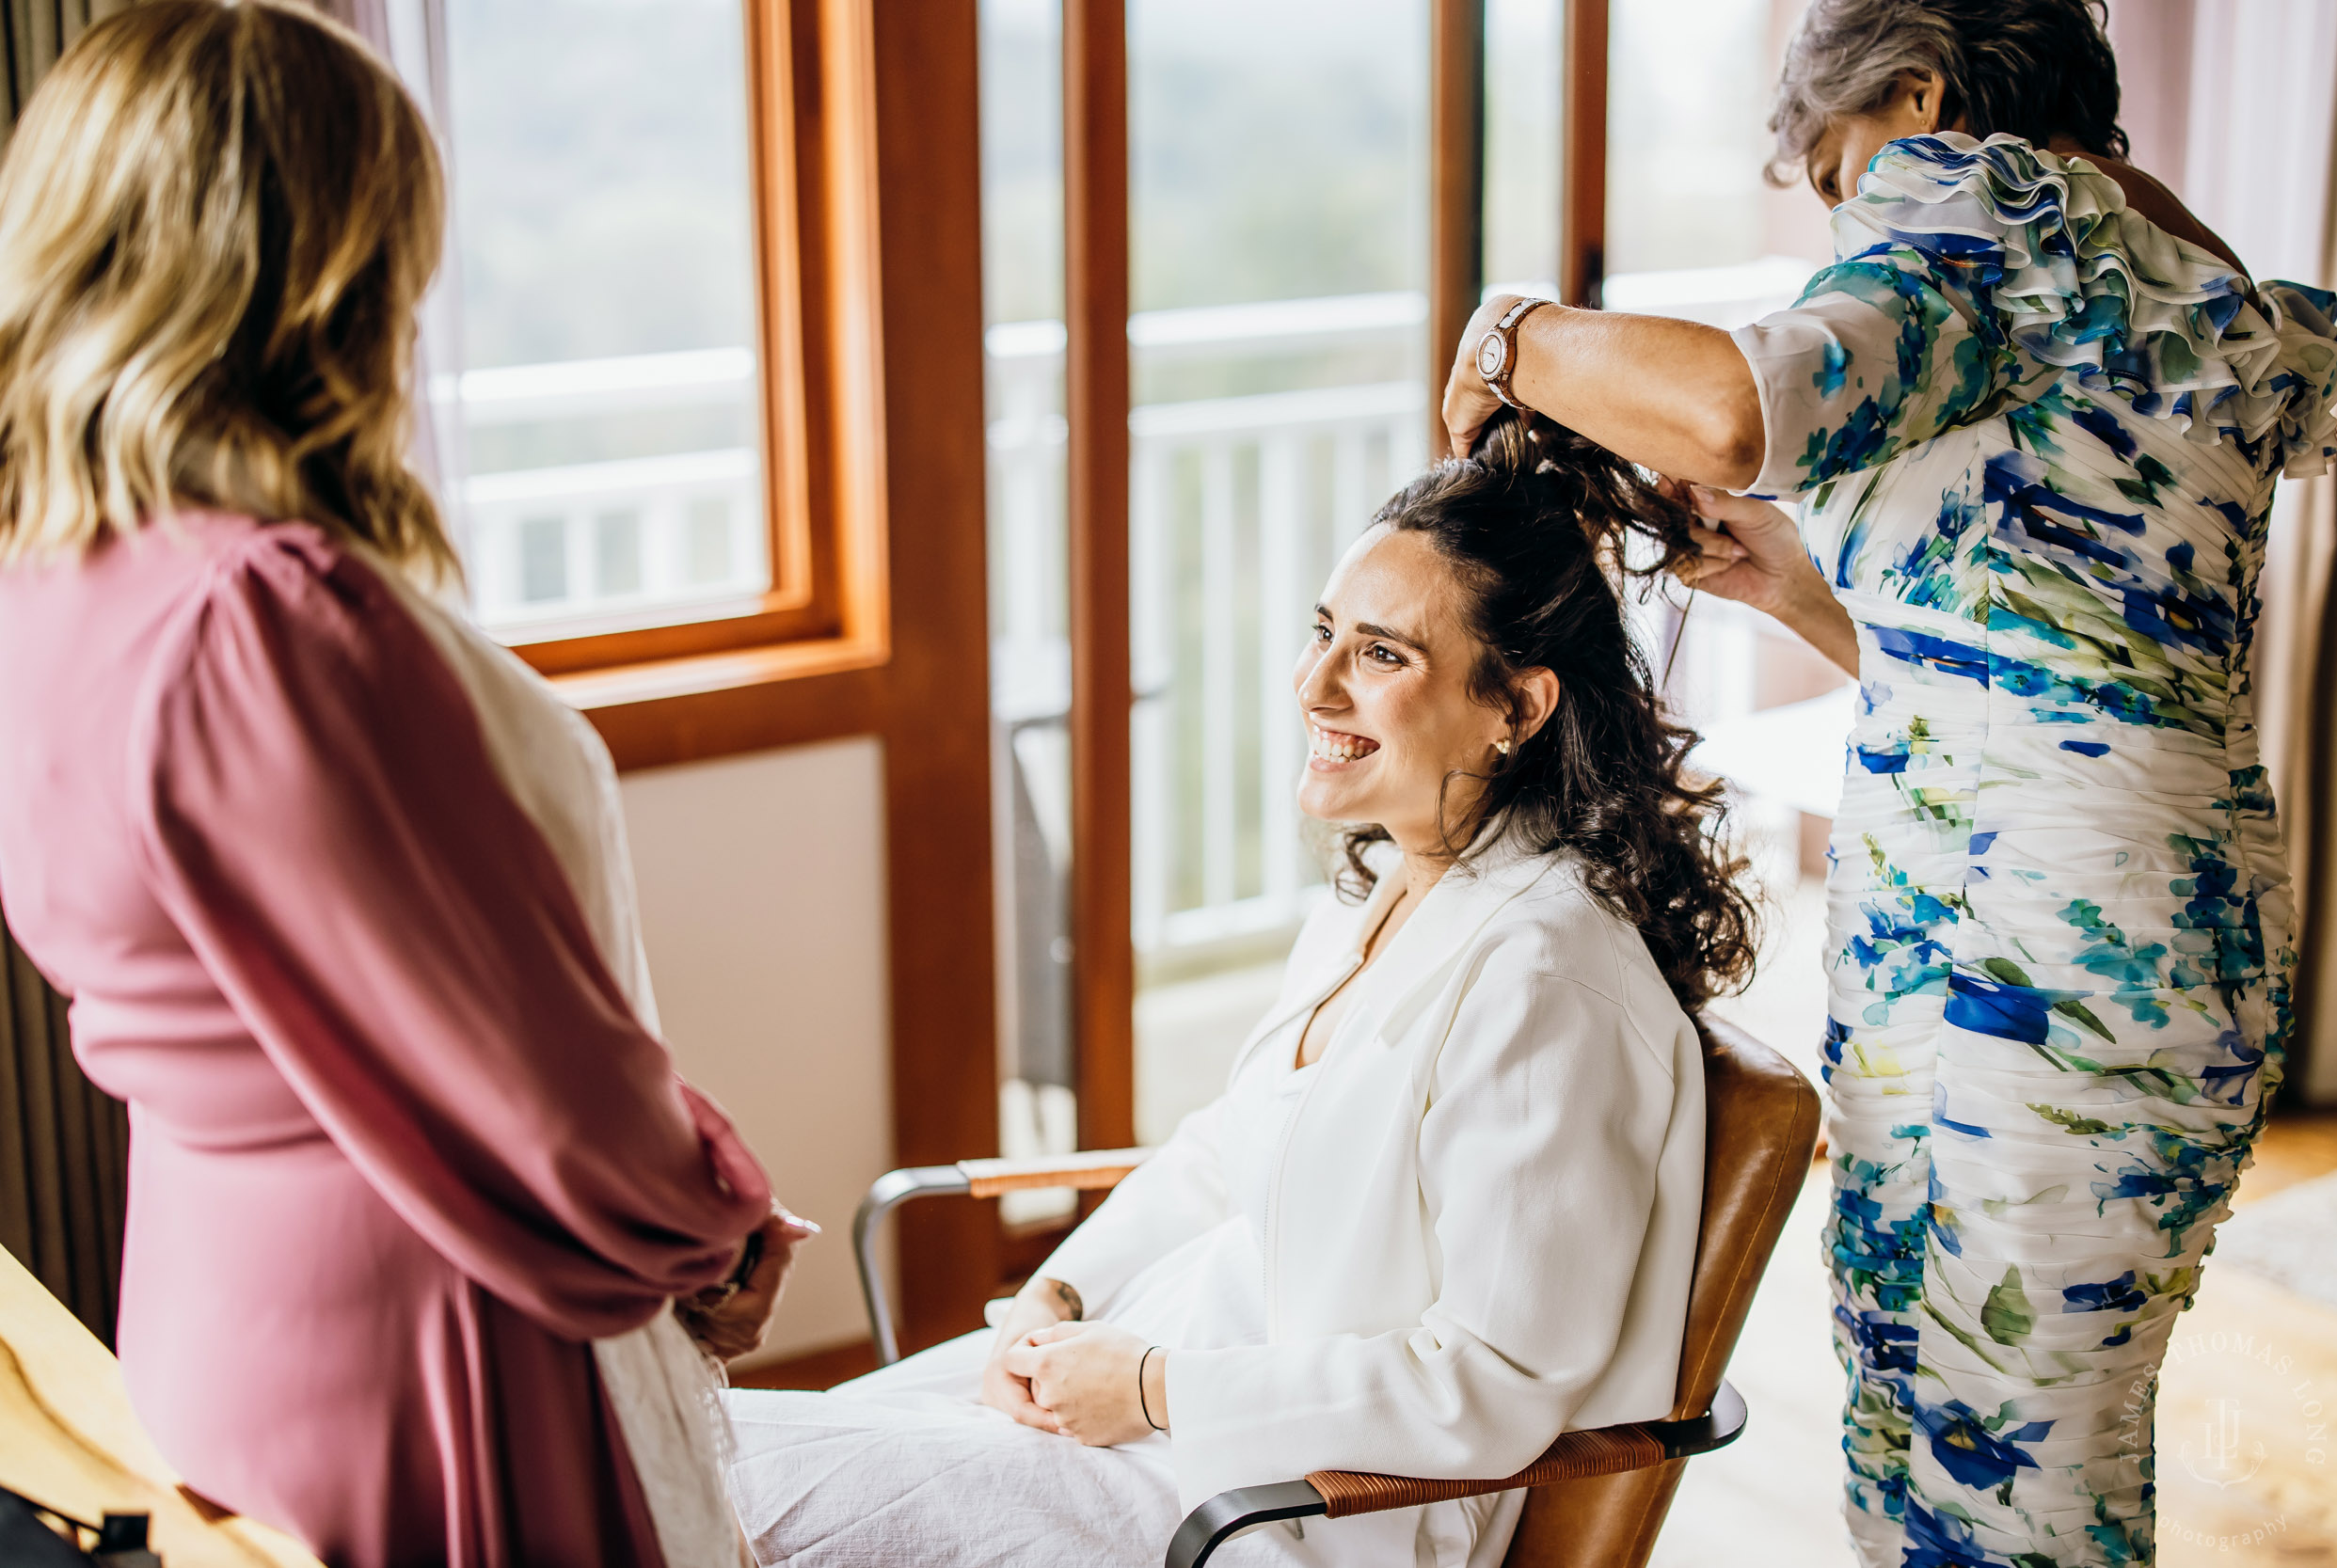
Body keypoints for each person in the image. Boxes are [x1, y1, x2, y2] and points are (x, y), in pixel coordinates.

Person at [1439, 3, 2337, 1564]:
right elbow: (2068, 665)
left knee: (2006, 1471)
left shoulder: (1984, 209)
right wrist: (1802, 591)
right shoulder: (2174, 278)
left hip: (2038, 957)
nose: (1855, 225)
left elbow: (1738, 406)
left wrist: (1511, 331)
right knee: (1971, 1412)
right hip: (2134, 926)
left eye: (1844, 173)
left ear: (1926, 101)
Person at [0, 6, 811, 1564]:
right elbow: (536, 1079)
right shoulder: (267, 614)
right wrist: (712, 1217)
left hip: (209, 1301)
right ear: (332, 267)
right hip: (419, 1306)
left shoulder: (52, 574)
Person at [722, 416, 1756, 1567]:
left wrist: (1159, 1390)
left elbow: (1495, 1378)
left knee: (714, 1483)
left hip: (1283, 1507)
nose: (1315, 685)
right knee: (687, 1452)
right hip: (1149, 1393)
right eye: (1323, 633)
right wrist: (1061, 1292)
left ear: (1517, 705)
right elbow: (1225, 1149)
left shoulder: (1548, 984)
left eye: (1381, 653)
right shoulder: (1385, 895)